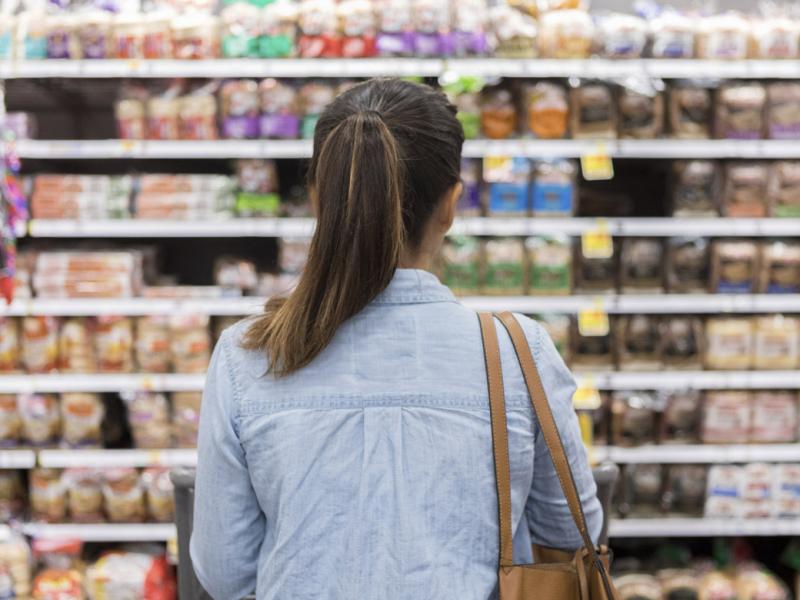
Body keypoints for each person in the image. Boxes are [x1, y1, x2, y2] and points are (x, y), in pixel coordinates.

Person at [191, 78, 602, 600]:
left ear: (320, 200)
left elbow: (225, 571)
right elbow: (570, 533)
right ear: (451, 204)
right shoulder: (517, 350)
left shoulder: (248, 355)